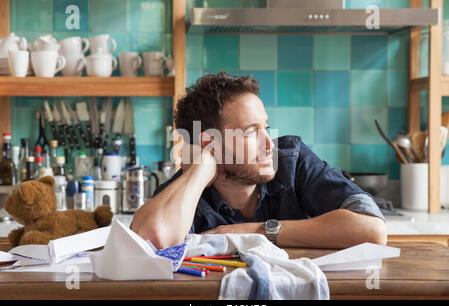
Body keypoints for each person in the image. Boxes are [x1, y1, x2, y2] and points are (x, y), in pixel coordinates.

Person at [131, 72, 387, 250]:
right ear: (210, 143)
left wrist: (256, 231)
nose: (269, 143)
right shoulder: (185, 192)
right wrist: (199, 170)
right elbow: (147, 241)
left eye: (267, 127)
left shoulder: (292, 160)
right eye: (251, 132)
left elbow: (372, 230)